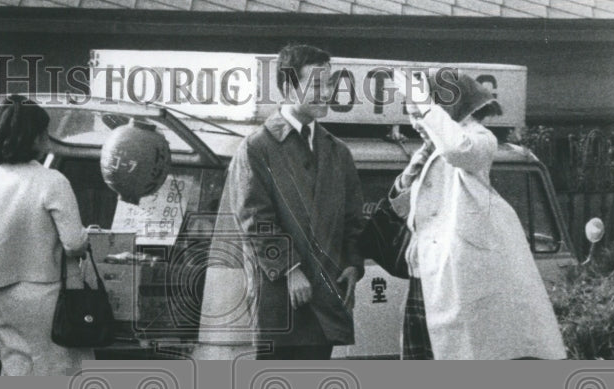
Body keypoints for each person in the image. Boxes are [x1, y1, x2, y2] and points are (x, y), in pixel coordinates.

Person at [388, 69, 566, 360]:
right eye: (412, 114)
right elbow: (405, 212)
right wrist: (407, 178)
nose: (415, 123)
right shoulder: (432, 150)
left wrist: (424, 102)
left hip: (457, 280)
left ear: (445, 108)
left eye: (418, 113)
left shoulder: (479, 139)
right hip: (426, 276)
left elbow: (458, 149)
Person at [218, 44, 365, 359]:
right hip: (278, 300)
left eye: (329, 84)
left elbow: (353, 219)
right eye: (315, 85)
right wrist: (289, 269)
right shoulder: (256, 149)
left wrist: (353, 264)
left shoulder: (338, 153)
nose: (325, 93)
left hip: (325, 300)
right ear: (286, 87)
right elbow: (255, 220)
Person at [0, 95, 91, 375]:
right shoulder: (53, 181)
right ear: (35, 137)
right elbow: (73, 244)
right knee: (60, 371)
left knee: (17, 367)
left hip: (7, 293)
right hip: (52, 293)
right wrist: (87, 237)